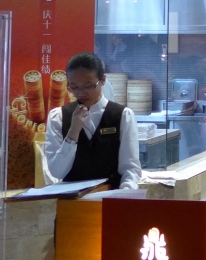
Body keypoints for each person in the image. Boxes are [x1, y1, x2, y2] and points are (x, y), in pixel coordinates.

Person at [42, 52, 142, 190]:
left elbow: (130, 168)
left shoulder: (123, 115)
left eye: (88, 86)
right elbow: (57, 172)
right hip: (72, 198)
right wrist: (73, 132)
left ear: (103, 80)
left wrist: (124, 194)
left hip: (111, 195)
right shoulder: (58, 117)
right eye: (74, 87)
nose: (80, 93)